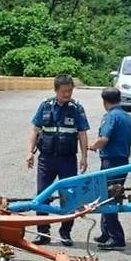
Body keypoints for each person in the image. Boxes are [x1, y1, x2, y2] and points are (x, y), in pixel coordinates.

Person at [26, 74, 89, 246]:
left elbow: (82, 133)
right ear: (56, 90)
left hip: (67, 160)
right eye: (64, 91)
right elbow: (35, 130)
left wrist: (84, 156)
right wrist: (29, 152)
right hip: (46, 159)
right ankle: (43, 233)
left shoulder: (77, 109)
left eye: (70, 91)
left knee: (68, 197)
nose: (67, 94)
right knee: (42, 196)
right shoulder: (45, 106)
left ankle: (65, 233)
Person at [88, 87, 131, 250]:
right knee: (108, 195)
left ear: (104, 101)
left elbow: (104, 139)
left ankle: (116, 237)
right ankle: (106, 233)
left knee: (109, 197)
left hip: (111, 161)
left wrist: (92, 146)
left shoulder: (111, 117)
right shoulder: (127, 117)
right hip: (123, 159)